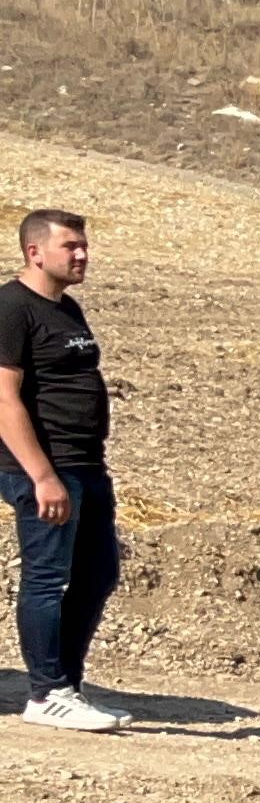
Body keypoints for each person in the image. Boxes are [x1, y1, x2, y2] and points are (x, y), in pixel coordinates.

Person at [0, 209, 123, 734]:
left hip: (86, 464)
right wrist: (42, 476)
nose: (82, 254)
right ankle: (47, 693)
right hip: (45, 468)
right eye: (70, 246)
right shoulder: (10, 308)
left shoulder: (67, 309)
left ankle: (66, 685)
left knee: (98, 574)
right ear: (35, 252)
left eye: (84, 245)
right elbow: (4, 400)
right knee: (48, 578)